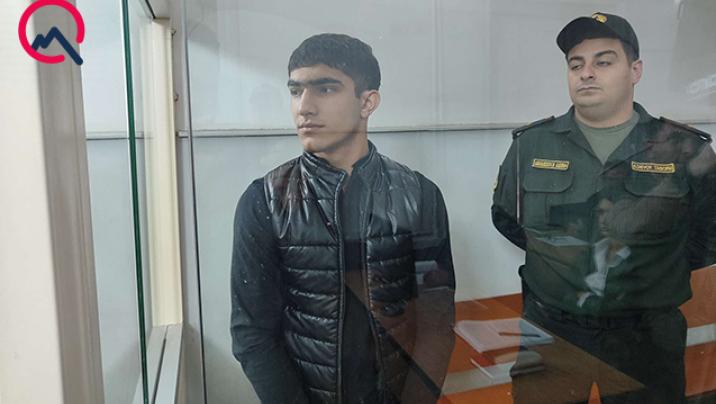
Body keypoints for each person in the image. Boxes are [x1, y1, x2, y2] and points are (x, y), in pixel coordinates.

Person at [492, 12, 716, 403]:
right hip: (552, 331)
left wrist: (651, 268)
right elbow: (509, 219)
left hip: (646, 337)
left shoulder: (683, 149)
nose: (586, 73)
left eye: (603, 61)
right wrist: (567, 262)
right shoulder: (532, 145)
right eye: (575, 64)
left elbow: (708, 235)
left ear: (635, 70)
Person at [230, 33, 456, 404]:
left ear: (367, 102)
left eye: (325, 89)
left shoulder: (419, 194)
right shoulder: (265, 201)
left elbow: (436, 322)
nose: (304, 107)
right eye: (296, 91)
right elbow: (252, 334)